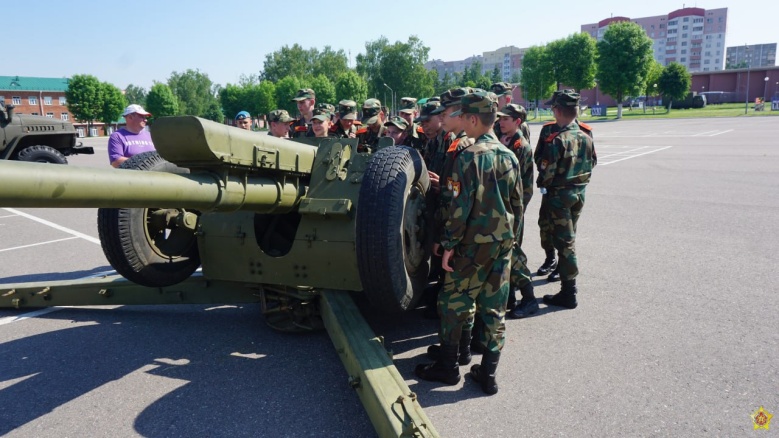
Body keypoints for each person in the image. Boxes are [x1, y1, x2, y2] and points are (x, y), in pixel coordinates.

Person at [415, 91, 521, 396]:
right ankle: (488, 373)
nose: (459, 120)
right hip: (502, 242)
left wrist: (448, 244)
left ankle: (448, 367)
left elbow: (459, 208)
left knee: (452, 302)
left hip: (472, 245)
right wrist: (511, 240)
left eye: (462, 116)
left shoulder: (469, 156)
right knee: (495, 307)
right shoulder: (509, 155)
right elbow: (517, 204)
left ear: (473, 120)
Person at [535, 90, 596, 310]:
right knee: (568, 239)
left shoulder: (557, 139)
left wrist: (543, 183)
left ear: (558, 111)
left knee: (565, 244)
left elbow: (546, 172)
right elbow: (593, 162)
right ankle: (565, 283)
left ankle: (569, 292)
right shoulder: (585, 136)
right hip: (579, 193)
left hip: (559, 197)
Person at [496, 104, 537, 318]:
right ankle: (510, 296)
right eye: (500, 118)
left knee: (512, 252)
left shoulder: (520, 146)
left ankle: (529, 299)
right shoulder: (507, 140)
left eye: (506, 119)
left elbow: (510, 178)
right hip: (507, 205)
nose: (501, 122)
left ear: (517, 122)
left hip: (513, 206)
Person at [415, 101, 450, 176]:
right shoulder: (431, 140)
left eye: (427, 121)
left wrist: (442, 182)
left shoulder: (450, 139)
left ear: (440, 117)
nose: (424, 126)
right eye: (422, 123)